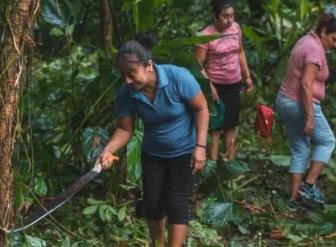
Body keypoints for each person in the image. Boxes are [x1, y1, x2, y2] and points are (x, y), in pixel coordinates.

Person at [96, 32, 209, 247]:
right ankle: (158, 243)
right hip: (153, 154)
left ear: (149, 65)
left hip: (184, 152)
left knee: (176, 204)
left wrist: (200, 146)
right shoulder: (127, 92)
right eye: (124, 75)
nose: (127, 80)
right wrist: (108, 150)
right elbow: (124, 129)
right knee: (153, 204)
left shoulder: (178, 78)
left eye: (132, 73)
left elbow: (202, 108)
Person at [275, 11, 336, 208]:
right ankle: (308, 186)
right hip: (299, 104)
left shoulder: (307, 39)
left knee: (300, 149)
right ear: (324, 31)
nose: (335, 44)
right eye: (334, 39)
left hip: (285, 101)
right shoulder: (315, 50)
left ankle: (294, 200)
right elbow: (306, 85)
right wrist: (310, 118)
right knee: (327, 140)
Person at [195, 0, 253, 162]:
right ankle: (212, 166)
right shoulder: (205, 35)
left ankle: (229, 163)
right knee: (215, 128)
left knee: (231, 125)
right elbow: (199, 65)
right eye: (225, 16)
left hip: (234, 85)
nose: (230, 20)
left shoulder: (236, 29)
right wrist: (209, 87)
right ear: (215, 16)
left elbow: (240, 52)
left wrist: (247, 76)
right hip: (215, 86)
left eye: (232, 16)